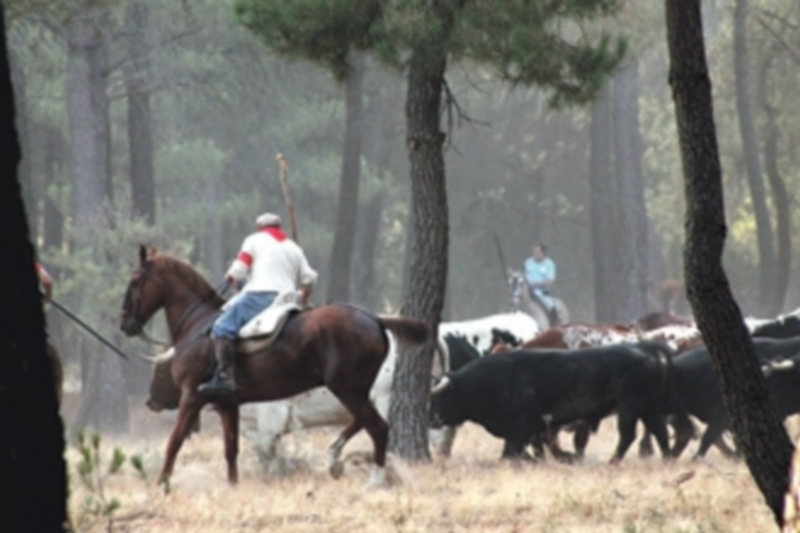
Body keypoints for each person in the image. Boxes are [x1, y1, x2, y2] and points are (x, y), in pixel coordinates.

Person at [198, 212, 318, 397]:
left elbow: (240, 269)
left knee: (222, 327)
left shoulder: (253, 240)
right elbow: (310, 277)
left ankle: (224, 377)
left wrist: (230, 277)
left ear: (259, 227)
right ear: (278, 227)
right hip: (287, 298)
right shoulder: (293, 247)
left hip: (259, 296)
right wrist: (304, 297)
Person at [523, 244, 559, 325]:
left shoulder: (549, 264)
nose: (534, 253)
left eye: (537, 251)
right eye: (534, 251)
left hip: (541, 293)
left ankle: (555, 323)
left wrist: (534, 284)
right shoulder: (528, 262)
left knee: (552, 308)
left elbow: (550, 282)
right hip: (527, 291)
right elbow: (523, 275)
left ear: (543, 253)